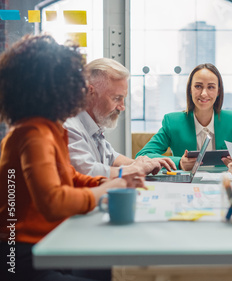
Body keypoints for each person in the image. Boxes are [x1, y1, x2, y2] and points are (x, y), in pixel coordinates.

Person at [0, 35, 144, 281]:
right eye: (74, 82)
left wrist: (109, 183)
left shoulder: (48, 127)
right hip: (21, 256)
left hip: (49, 241)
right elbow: (54, 201)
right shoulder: (33, 133)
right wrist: (112, 186)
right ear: (54, 87)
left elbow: (70, 177)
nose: (81, 89)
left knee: (105, 266)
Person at [136, 63, 232, 170]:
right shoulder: (173, 122)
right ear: (190, 90)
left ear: (218, 91)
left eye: (211, 87)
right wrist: (179, 162)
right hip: (186, 188)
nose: (204, 93)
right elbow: (143, 156)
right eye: (198, 86)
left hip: (225, 186)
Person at [64, 58, 176, 178]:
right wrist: (135, 168)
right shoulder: (69, 127)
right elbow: (87, 171)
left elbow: (112, 157)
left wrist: (147, 163)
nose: (122, 107)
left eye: (123, 98)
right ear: (90, 92)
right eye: (116, 98)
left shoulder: (94, 127)